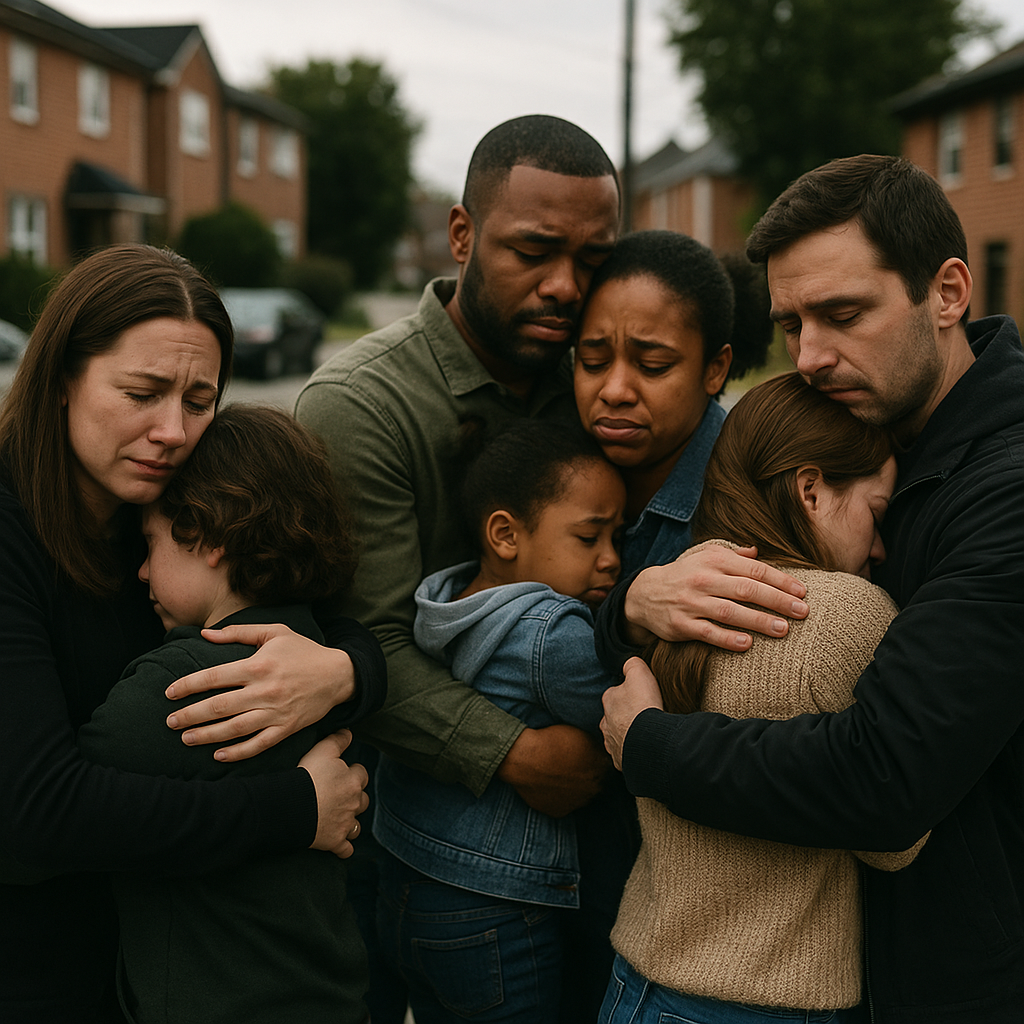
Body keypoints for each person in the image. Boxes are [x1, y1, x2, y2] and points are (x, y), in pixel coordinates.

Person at [598, 155, 1024, 1021]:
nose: (811, 357)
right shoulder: (865, 435)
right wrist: (633, 606)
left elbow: (885, 776)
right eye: (791, 324)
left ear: (947, 293)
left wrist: (650, 746)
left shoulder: (1006, 487)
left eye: (843, 314)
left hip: (961, 983)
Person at [0, 244, 384, 1024]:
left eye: (200, 399)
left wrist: (346, 672)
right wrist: (293, 811)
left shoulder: (160, 513)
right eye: (142, 393)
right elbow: (35, 814)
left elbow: (312, 599)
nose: (174, 431)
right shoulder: (12, 536)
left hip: (154, 969)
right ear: (63, 377)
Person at [295, 114, 620, 1022]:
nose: (565, 286)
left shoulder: (596, 386)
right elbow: (365, 641)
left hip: (577, 858)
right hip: (387, 835)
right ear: (463, 234)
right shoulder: (361, 406)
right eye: (534, 251)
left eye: (592, 259)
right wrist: (516, 753)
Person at [602, 372, 927, 1023]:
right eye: (876, 512)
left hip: (635, 985)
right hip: (761, 1001)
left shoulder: (676, 595)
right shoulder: (845, 614)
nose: (880, 547)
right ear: (811, 490)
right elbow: (895, 838)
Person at [78, 404, 376, 1024]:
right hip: (329, 992)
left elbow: (55, 801)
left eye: (150, 542)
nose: (140, 572)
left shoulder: (182, 684)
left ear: (210, 536)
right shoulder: (319, 656)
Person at [374, 421, 626, 1022]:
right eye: (589, 537)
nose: (612, 559)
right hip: (496, 910)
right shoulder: (553, 634)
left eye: (618, 536)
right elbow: (632, 715)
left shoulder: (445, 598)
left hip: (406, 883)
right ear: (506, 535)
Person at [574, 229, 772, 576]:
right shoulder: (547, 470)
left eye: (653, 366)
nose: (615, 391)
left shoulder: (757, 506)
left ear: (715, 369)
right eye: (593, 362)